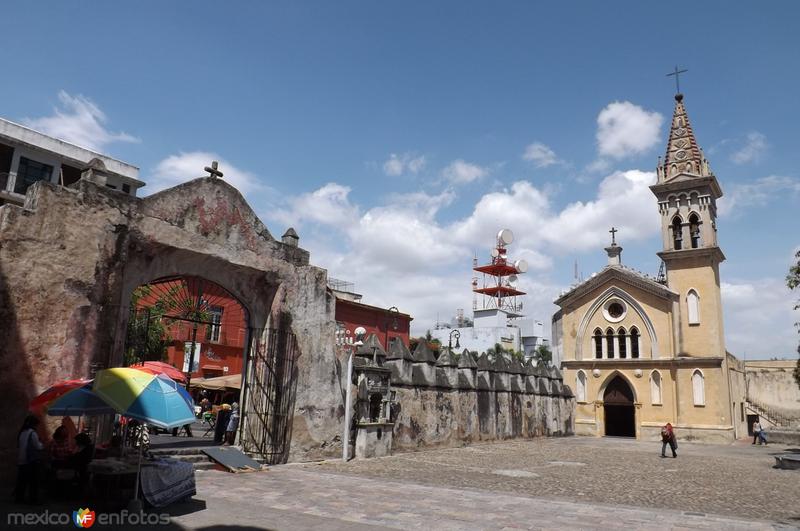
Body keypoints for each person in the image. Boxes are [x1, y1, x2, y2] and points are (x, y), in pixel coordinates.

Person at [15, 414, 44, 503]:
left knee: (22, 481)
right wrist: (43, 444)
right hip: (31, 461)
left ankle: (19, 498)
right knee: (33, 481)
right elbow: (38, 446)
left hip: (22, 460)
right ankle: (33, 499)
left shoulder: (22, 432)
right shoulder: (32, 433)